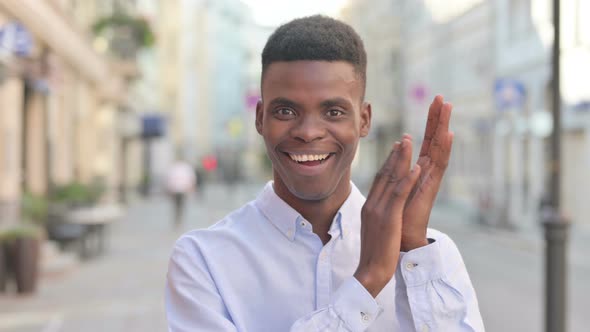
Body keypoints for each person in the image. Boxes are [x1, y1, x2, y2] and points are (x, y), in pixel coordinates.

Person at [166, 15, 485, 331]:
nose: (308, 132)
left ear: (364, 120)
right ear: (260, 118)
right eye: (285, 111)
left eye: (333, 112)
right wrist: (368, 281)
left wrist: (413, 245)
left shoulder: (430, 256)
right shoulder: (203, 260)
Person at [165, 158, 196, 226]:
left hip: (181, 189)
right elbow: (169, 178)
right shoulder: (182, 167)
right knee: (177, 205)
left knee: (179, 204)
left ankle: (178, 218)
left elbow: (191, 178)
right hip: (177, 189)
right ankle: (178, 218)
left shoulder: (183, 167)